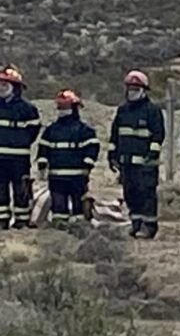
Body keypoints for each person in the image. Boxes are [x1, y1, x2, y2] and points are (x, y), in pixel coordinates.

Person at [108, 70, 165, 239]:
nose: (132, 91)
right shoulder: (122, 111)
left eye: (136, 88)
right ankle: (136, 223)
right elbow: (115, 134)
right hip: (126, 163)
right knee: (130, 194)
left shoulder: (152, 111)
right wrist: (112, 154)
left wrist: (152, 153)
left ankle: (149, 226)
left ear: (144, 90)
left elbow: (158, 134)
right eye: (130, 88)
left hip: (145, 164)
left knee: (146, 194)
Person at [36, 90, 100, 227]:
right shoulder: (51, 130)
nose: (61, 110)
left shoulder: (84, 131)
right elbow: (43, 149)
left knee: (78, 210)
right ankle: (60, 233)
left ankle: (78, 231)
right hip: (56, 177)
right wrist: (42, 166)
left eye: (64, 107)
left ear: (74, 108)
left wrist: (87, 167)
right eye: (60, 107)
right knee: (58, 210)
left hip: (77, 177)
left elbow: (92, 149)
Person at [0, 64, 41, 230]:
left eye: (5, 84)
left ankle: (22, 220)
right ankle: (2, 220)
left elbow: (33, 131)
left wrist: (19, 142)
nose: (1, 87)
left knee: (21, 189)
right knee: (0, 190)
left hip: (19, 158)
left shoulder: (28, 109)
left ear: (15, 87)